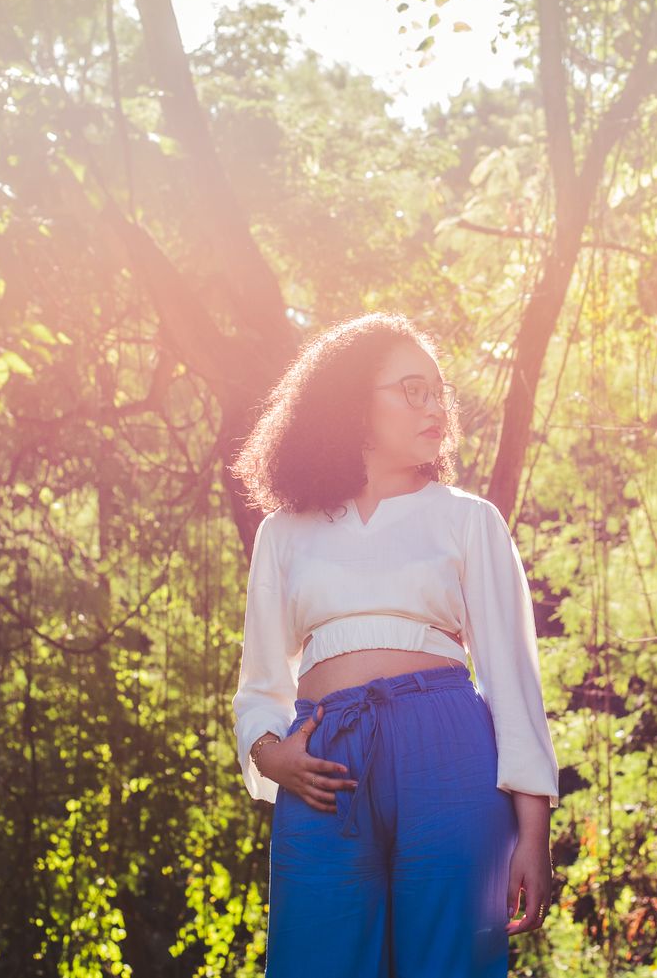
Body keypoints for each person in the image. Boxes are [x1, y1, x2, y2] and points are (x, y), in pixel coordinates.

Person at [227, 312, 560, 977]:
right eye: (412, 390)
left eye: (439, 393)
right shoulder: (285, 531)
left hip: (449, 749)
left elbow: (512, 679)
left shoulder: (469, 519)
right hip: (325, 762)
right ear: (353, 402)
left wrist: (534, 833)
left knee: (450, 963)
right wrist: (270, 753)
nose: (435, 407)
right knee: (314, 962)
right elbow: (260, 682)